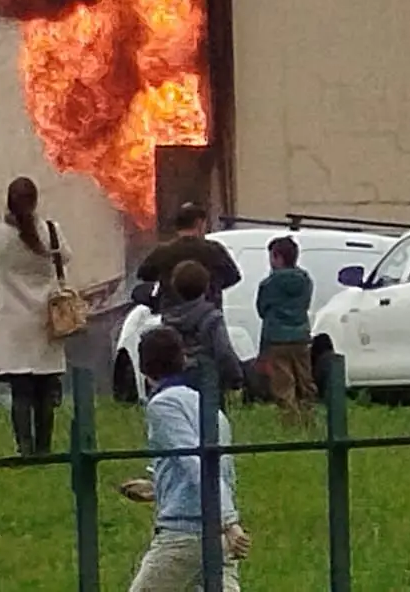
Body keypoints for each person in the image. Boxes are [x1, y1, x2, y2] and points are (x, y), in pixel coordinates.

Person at [129, 326, 251, 592]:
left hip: (186, 532)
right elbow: (216, 466)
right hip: (217, 533)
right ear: (182, 360)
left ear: (143, 368)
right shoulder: (205, 405)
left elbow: (196, 464)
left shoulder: (163, 406)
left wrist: (229, 521)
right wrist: (156, 486)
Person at [0, 176, 70, 455]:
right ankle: (45, 447)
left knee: (21, 391)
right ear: (35, 201)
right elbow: (65, 257)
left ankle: (24, 447)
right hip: (46, 318)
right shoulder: (51, 231)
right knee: (45, 389)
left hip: (13, 319)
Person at [161, 259, 244, 395]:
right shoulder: (212, 318)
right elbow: (223, 351)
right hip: (207, 380)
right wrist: (235, 378)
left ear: (174, 287)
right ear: (206, 287)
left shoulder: (167, 320)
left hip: (176, 381)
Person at [137, 203, 241, 310]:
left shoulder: (163, 252)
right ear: (199, 223)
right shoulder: (214, 250)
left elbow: (144, 274)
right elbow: (233, 277)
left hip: (173, 313)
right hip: (208, 312)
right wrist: (214, 286)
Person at [255, 236, 316, 419]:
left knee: (283, 384)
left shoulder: (268, 284)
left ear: (278, 257)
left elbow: (262, 310)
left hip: (277, 338)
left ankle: (291, 421)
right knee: (305, 379)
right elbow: (306, 304)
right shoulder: (305, 280)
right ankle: (309, 417)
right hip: (301, 336)